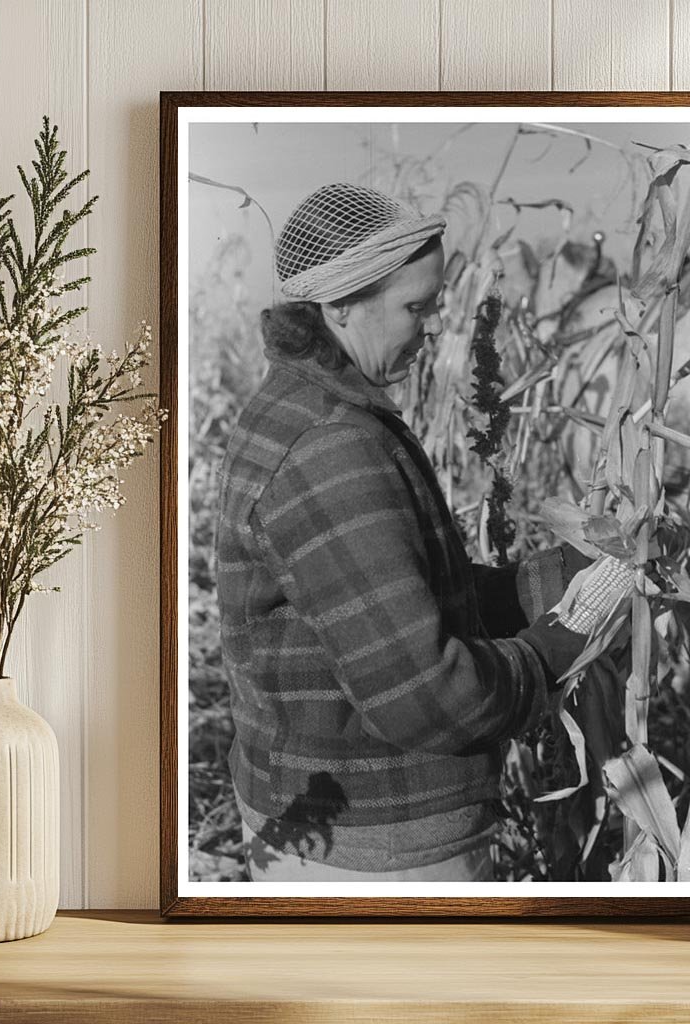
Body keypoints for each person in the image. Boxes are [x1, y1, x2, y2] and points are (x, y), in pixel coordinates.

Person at [215, 183, 614, 882]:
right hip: (377, 855)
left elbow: (397, 603)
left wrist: (573, 573)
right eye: (416, 308)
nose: (432, 330)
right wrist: (555, 647)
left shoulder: (301, 407)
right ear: (340, 305)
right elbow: (425, 696)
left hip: (333, 831)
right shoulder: (331, 448)